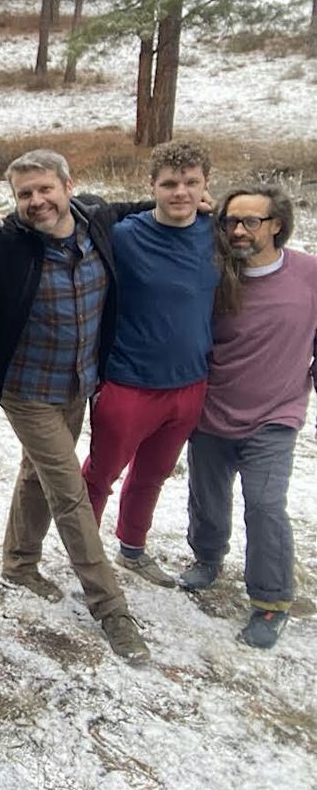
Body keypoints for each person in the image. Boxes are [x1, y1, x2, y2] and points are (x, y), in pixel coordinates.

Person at [0, 149, 150, 664]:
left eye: (45, 189)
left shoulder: (96, 220)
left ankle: (18, 562)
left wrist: (190, 205)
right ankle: (111, 608)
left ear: (68, 186)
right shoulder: (5, 242)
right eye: (25, 194)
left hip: (78, 382)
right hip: (26, 389)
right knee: (69, 491)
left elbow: (134, 208)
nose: (36, 201)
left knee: (36, 473)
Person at [180, 184, 317, 649]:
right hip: (211, 409)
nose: (238, 231)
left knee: (264, 504)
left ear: (276, 224)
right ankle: (207, 558)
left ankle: (271, 600)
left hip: (275, 415)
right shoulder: (214, 276)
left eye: (250, 221)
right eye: (230, 222)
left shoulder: (308, 274)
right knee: (208, 496)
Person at [82, 141, 218, 584]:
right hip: (129, 382)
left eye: (191, 182)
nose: (181, 192)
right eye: (170, 183)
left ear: (206, 185)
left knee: (153, 475)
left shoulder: (216, 233)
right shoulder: (123, 236)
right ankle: (84, 559)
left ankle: (133, 548)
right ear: (152, 186)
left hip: (190, 382)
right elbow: (74, 219)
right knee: (100, 475)